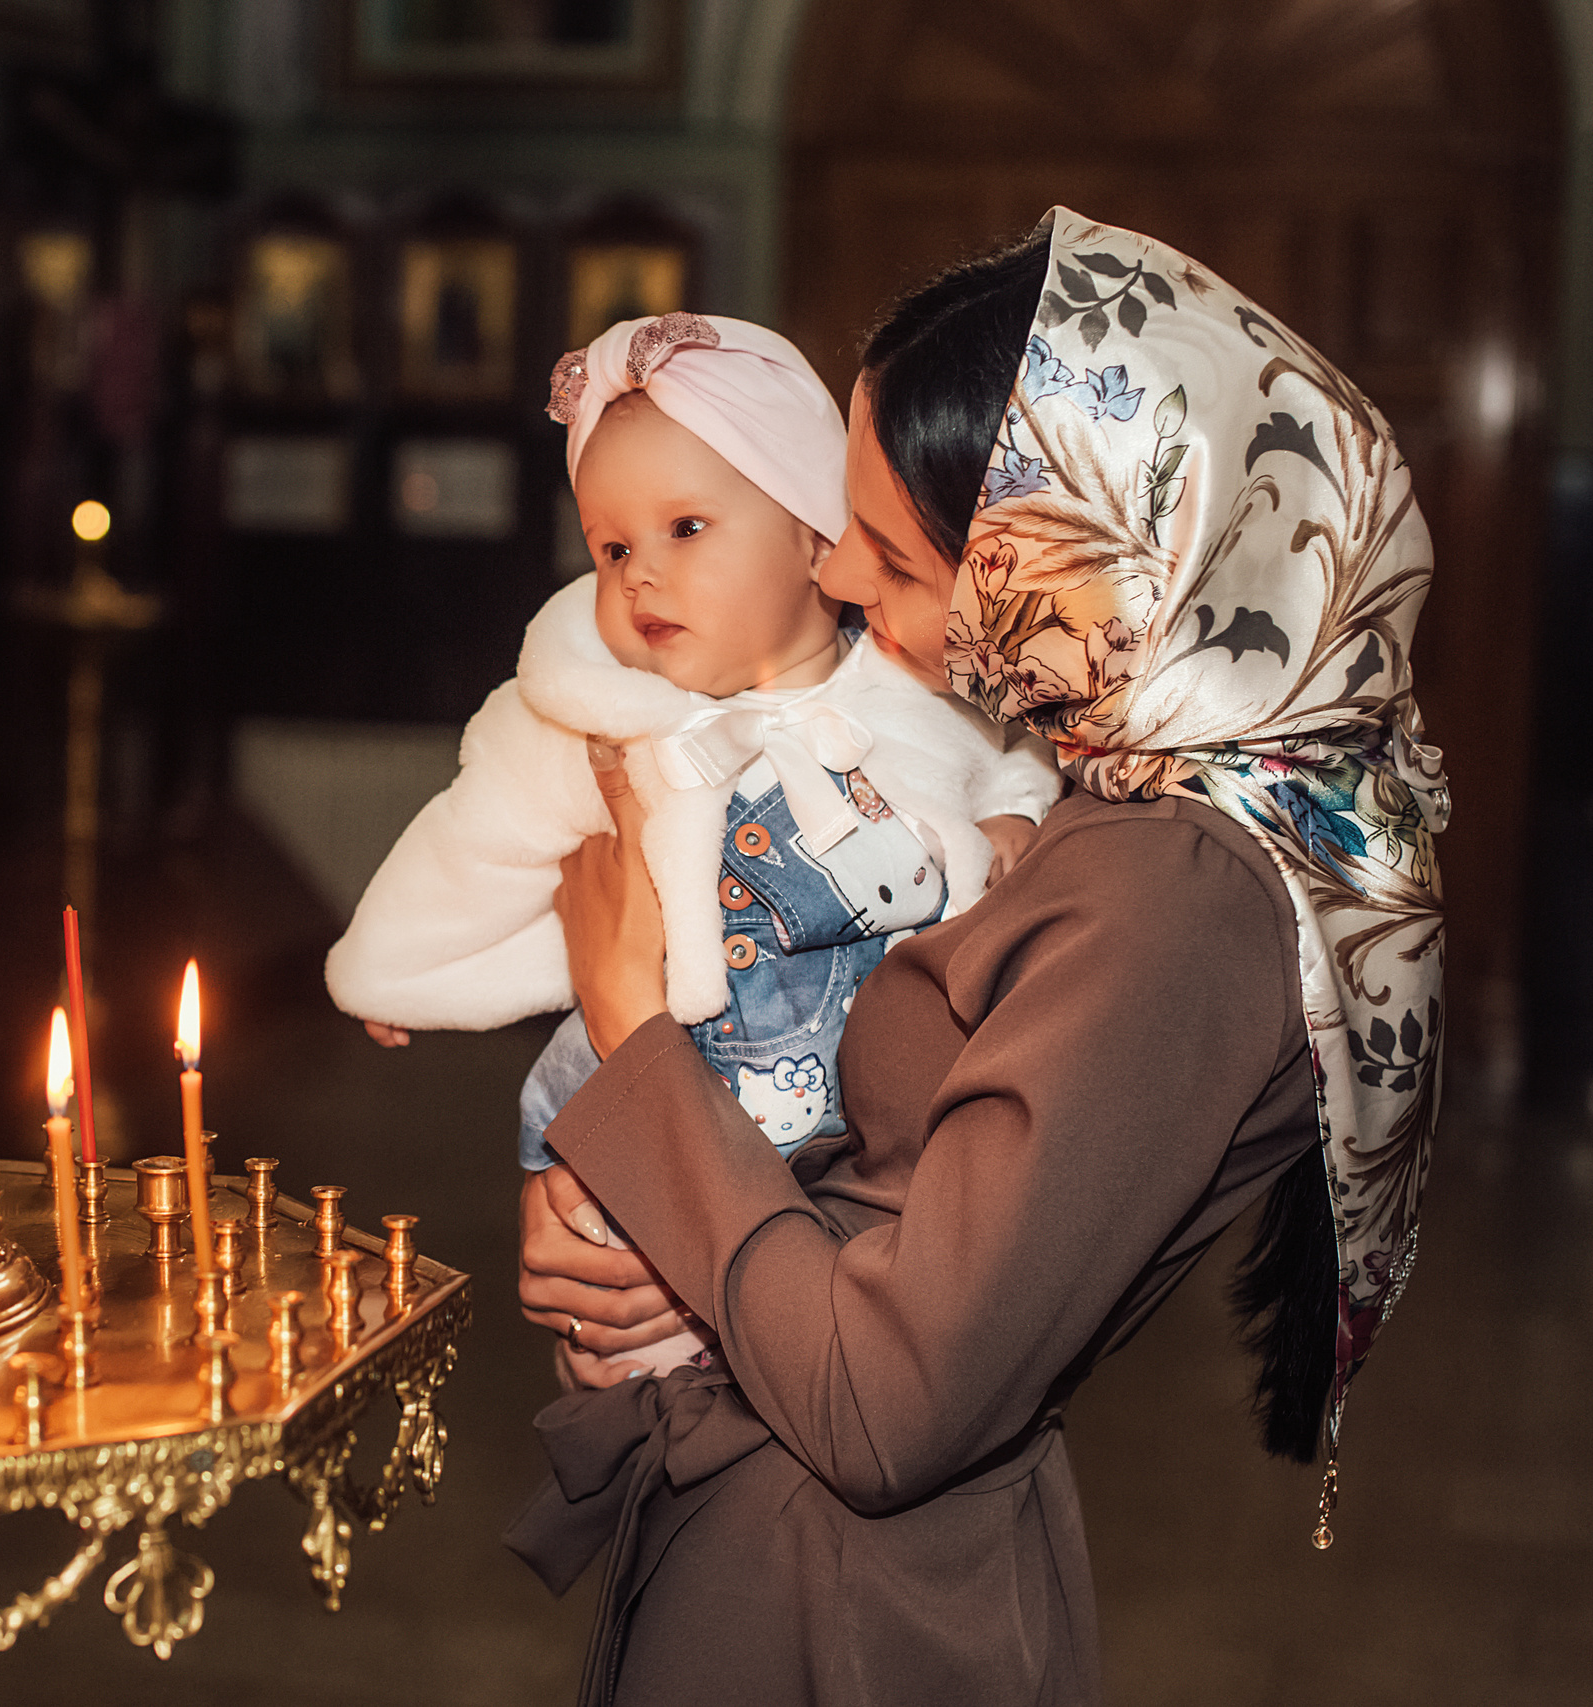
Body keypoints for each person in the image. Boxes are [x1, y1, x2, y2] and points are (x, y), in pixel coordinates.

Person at [505, 209, 1450, 1706]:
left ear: (1085, 553)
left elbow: (888, 1401)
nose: (846, 585)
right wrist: (629, 1233)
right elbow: (892, 1182)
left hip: (845, 1601)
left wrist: (636, 1039)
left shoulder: (1185, 895)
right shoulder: (1123, 797)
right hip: (782, 1521)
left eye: (893, 552)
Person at [326, 312, 1056, 1371]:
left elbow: (1017, 752)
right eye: (611, 547)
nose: (639, 576)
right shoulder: (592, 722)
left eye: (685, 530)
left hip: (860, 1165)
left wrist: (1013, 824)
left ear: (815, 530)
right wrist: (391, 966)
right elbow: (481, 841)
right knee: (629, 1346)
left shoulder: (909, 686)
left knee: (821, 1365)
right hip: (653, 1133)